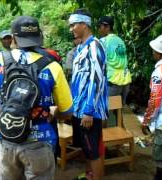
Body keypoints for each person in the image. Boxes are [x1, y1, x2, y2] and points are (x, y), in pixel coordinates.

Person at [0, 15, 73, 179]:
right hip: (39, 141)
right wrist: (52, 114)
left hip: (6, 139)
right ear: (38, 37)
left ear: (14, 38)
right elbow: (67, 112)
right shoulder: (52, 66)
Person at [68, 9, 108, 180]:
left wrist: (88, 110)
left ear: (84, 24)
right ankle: (89, 175)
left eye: (73, 25)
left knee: (93, 152)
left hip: (88, 111)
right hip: (79, 109)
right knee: (86, 148)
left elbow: (97, 80)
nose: (71, 29)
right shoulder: (80, 48)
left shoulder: (95, 46)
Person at [142, 33, 162, 180]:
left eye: (154, 50)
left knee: (160, 152)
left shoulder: (159, 72)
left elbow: (155, 100)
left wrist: (146, 121)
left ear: (159, 53)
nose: (152, 53)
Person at [98, 16, 132, 106]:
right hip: (125, 80)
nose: (99, 29)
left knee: (106, 112)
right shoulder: (120, 40)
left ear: (107, 27)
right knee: (119, 112)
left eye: (100, 26)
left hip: (113, 81)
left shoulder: (103, 41)